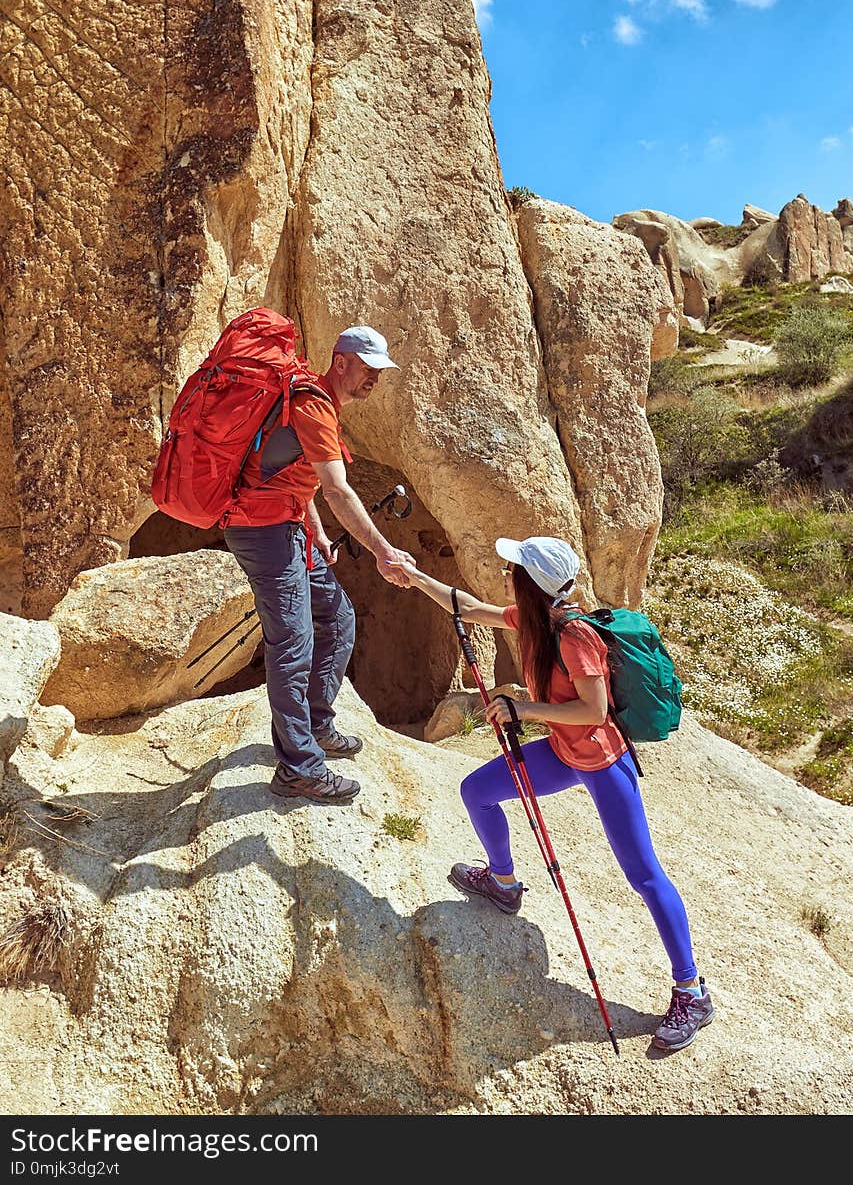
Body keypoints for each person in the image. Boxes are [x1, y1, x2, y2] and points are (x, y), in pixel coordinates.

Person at [397, 535, 714, 1054]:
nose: (505, 574)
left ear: (532, 583)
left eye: (513, 569)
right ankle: (502, 882)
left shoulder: (573, 638)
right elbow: (472, 609)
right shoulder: (534, 621)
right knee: (476, 790)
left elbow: (593, 711)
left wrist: (524, 709)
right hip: (565, 754)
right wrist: (414, 578)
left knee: (644, 875)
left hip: (601, 761)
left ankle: (691, 991)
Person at [224, 325, 414, 805]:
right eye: (366, 367)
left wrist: (319, 533)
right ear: (341, 361)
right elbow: (336, 489)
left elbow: (295, 478)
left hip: (288, 524)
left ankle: (314, 724)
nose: (372, 378)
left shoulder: (318, 403)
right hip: (262, 528)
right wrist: (383, 552)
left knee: (336, 616)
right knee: (292, 641)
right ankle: (298, 770)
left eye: (378, 371)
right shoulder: (312, 404)